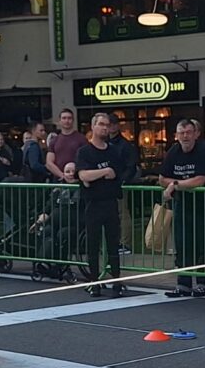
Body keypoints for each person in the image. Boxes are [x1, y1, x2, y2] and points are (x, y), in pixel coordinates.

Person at [160, 118, 205, 297]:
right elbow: (162, 179)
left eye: (189, 132)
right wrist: (177, 184)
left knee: (204, 244)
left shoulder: (202, 150)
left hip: (204, 205)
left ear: (196, 134)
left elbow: (200, 180)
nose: (185, 136)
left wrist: (175, 184)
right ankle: (183, 283)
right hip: (182, 204)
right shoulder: (173, 151)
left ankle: (203, 283)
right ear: (176, 135)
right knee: (182, 244)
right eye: (181, 133)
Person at [75, 112, 125, 298]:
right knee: (93, 245)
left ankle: (117, 280)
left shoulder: (113, 151)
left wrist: (95, 176)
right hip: (93, 203)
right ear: (93, 126)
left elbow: (117, 175)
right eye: (101, 124)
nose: (105, 128)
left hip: (110, 201)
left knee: (113, 244)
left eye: (107, 125)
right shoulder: (84, 152)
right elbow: (83, 175)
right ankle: (94, 282)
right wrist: (103, 172)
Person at [106, 113, 140, 254]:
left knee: (122, 213)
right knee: (110, 213)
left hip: (119, 183)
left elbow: (131, 166)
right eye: (108, 124)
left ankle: (125, 243)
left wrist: (122, 181)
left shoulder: (125, 145)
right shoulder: (105, 142)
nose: (111, 127)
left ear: (117, 125)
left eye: (113, 124)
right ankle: (112, 242)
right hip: (105, 183)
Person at [46, 107, 86, 182]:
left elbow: (86, 160)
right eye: (64, 118)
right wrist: (63, 176)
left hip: (77, 180)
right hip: (59, 181)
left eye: (69, 118)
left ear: (73, 120)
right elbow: (49, 163)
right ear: (60, 121)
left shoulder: (82, 139)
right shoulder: (54, 141)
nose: (67, 121)